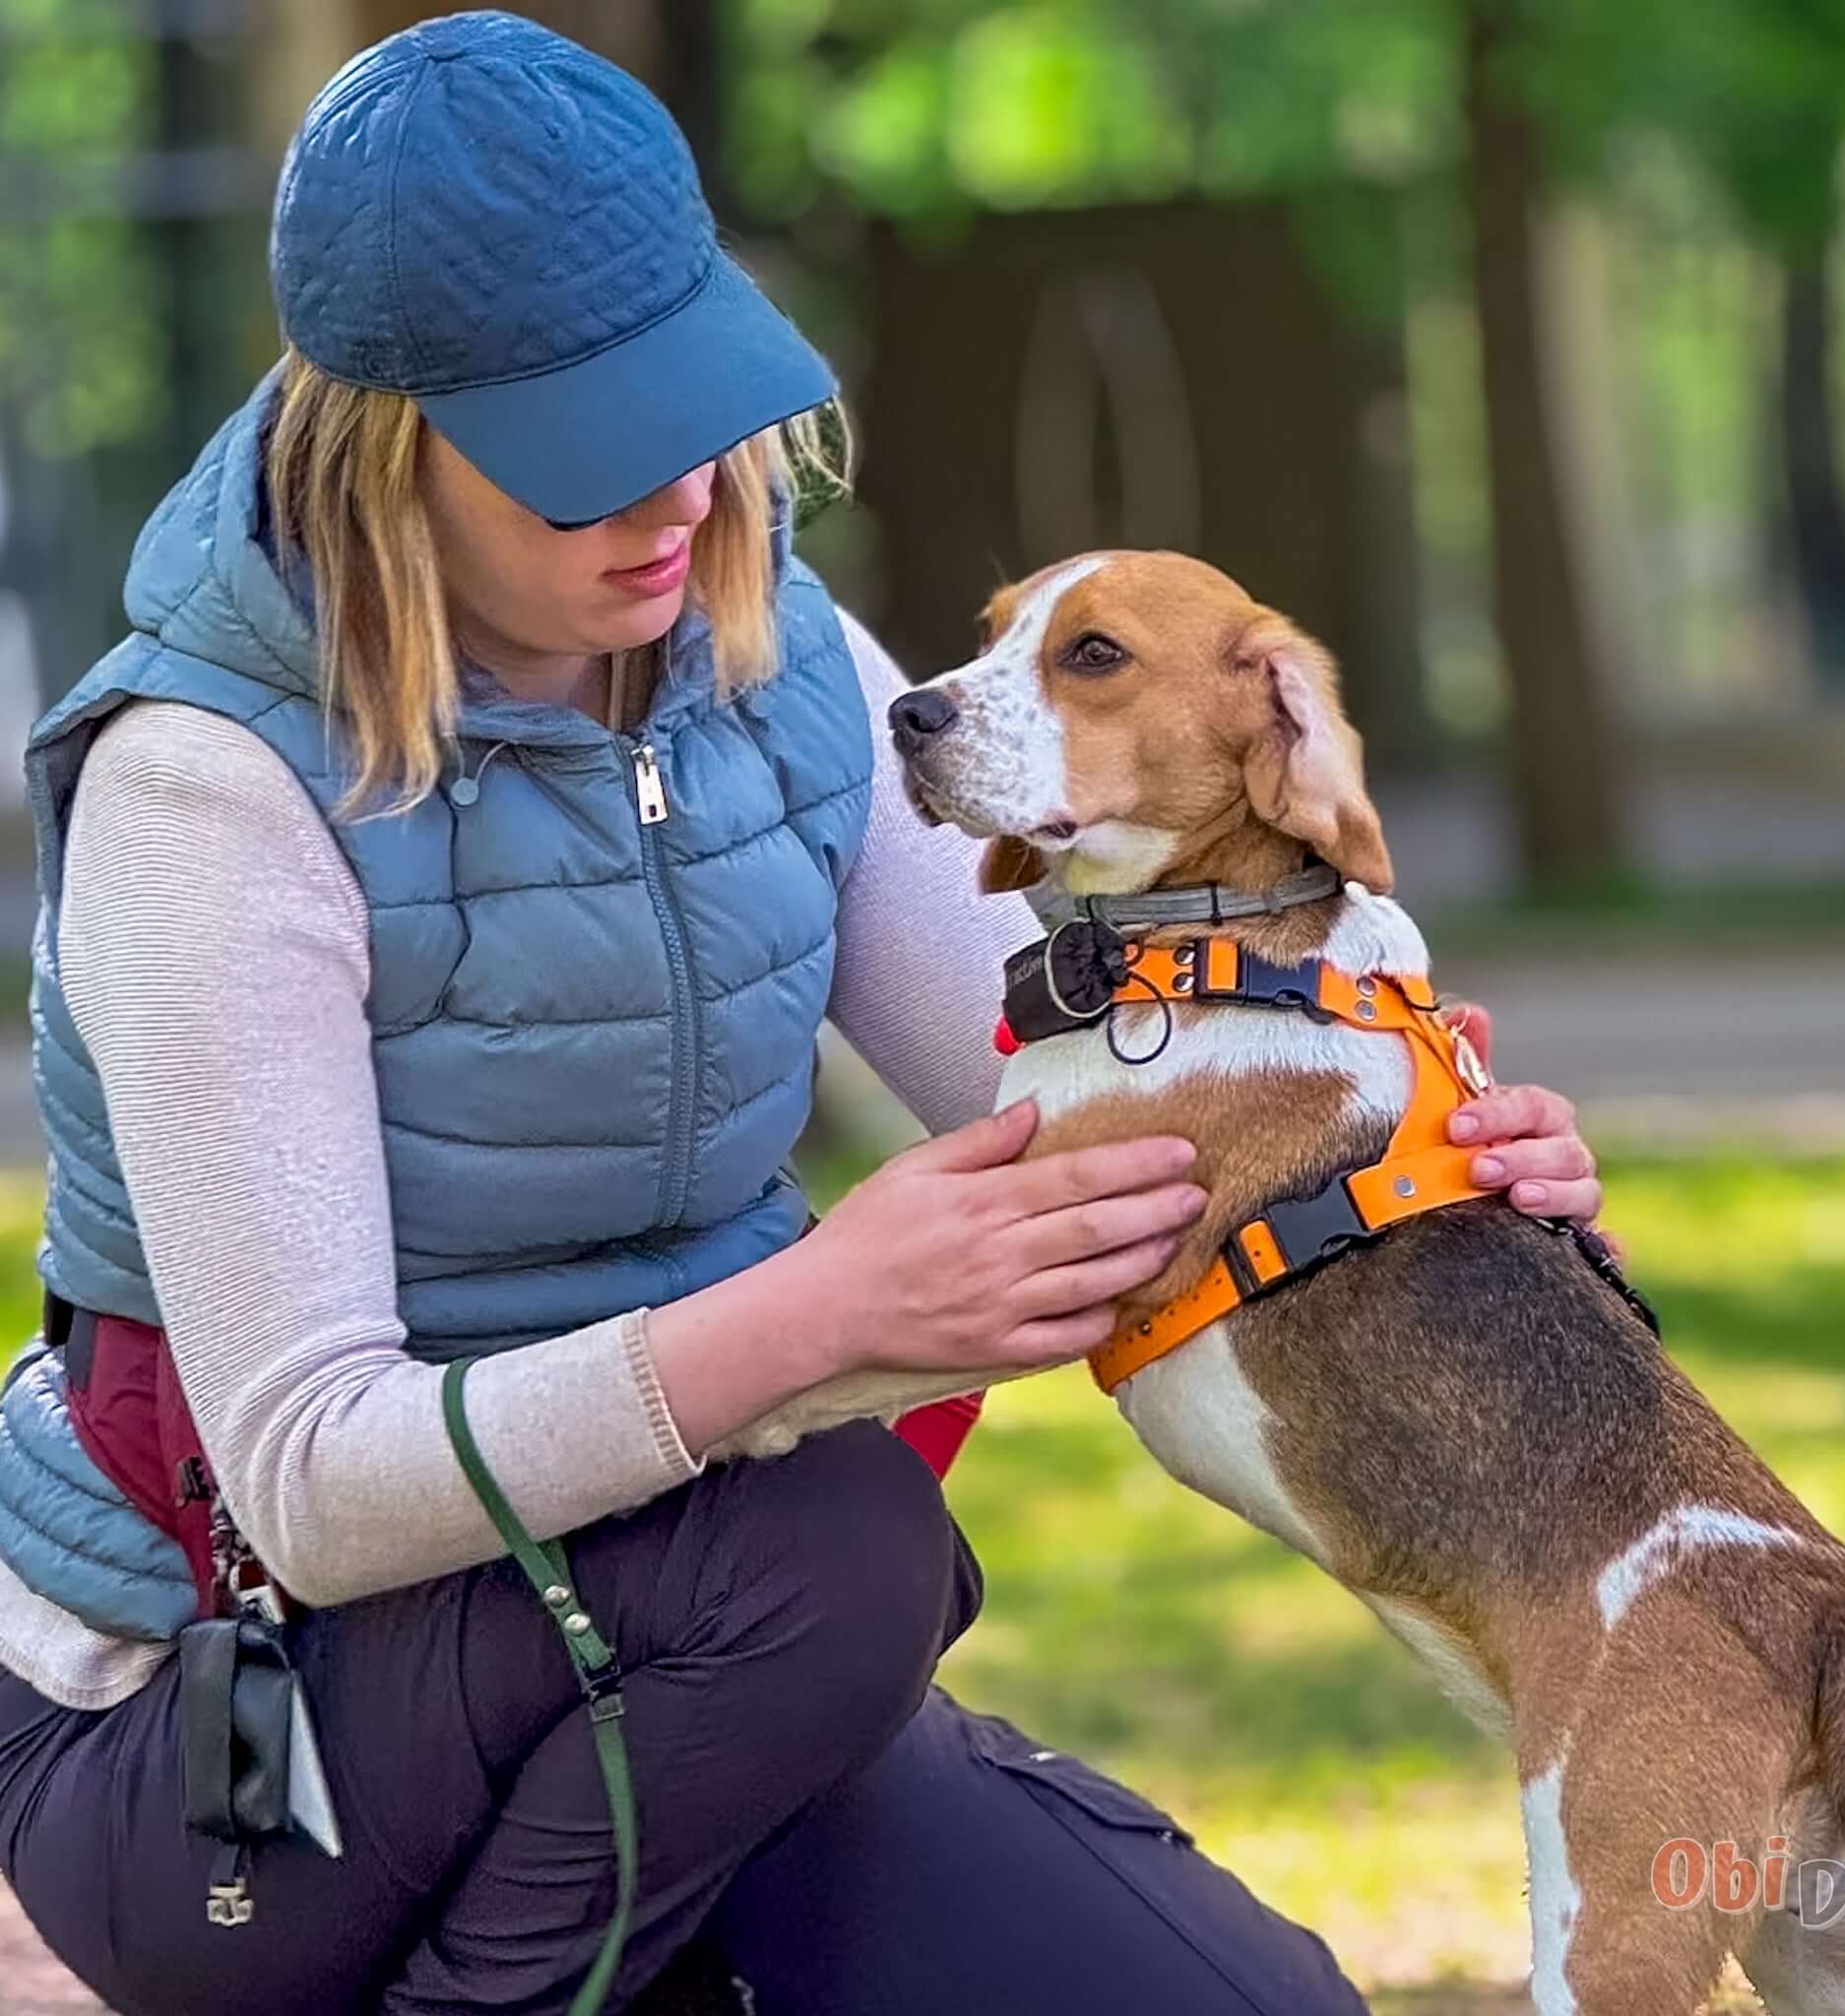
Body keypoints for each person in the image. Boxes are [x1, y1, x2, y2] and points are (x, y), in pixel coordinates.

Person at [0, 15, 1605, 2014]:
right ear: (390, 443)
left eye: (693, 399)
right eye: (591, 451)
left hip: (698, 1660)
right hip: (236, 1741)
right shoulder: (205, 789)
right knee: (835, 1543)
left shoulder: (774, 658)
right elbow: (314, 1488)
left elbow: (1079, 1127)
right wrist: (820, 1318)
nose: (682, 492)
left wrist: (1407, 1160)